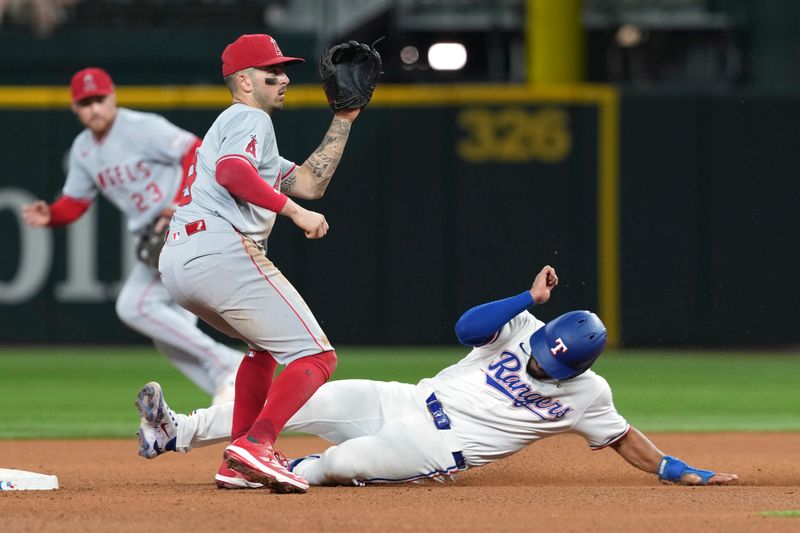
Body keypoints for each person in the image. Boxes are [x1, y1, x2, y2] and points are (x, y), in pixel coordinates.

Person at [136, 265, 738, 490]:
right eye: (540, 353)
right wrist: (524, 297)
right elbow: (465, 326)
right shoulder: (522, 325)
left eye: (551, 365)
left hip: (434, 446)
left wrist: (672, 467)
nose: (538, 363)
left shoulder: (588, 394)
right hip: (406, 398)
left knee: (343, 466)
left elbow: (623, 438)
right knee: (301, 399)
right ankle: (174, 432)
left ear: (579, 367)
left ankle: (281, 473)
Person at [155, 34, 364, 494]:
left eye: (285, 70)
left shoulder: (235, 125)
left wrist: (344, 119)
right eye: (273, 72)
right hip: (219, 249)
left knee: (261, 348)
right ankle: (259, 442)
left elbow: (308, 183)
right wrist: (293, 214)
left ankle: (236, 461)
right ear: (245, 82)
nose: (285, 78)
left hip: (180, 262)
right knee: (317, 356)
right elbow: (234, 173)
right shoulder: (250, 118)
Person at [22, 67, 242, 405]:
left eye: (100, 99)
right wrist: (52, 214)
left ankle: (228, 365)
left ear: (112, 97)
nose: (94, 108)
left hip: (186, 222)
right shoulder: (84, 149)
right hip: (157, 239)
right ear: (75, 109)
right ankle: (232, 390)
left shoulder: (141, 126)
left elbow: (194, 150)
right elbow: (76, 201)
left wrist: (180, 200)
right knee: (169, 335)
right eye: (85, 103)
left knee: (133, 305)